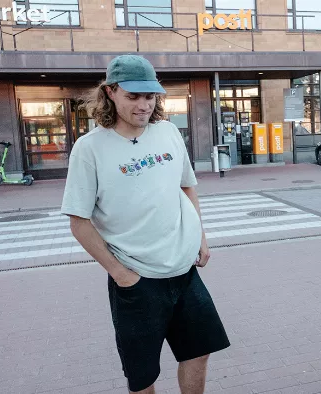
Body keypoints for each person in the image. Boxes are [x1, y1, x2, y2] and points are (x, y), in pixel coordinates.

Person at [61, 55, 230, 394]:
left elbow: (186, 187)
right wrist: (122, 276)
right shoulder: (89, 148)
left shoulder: (168, 132)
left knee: (198, 353)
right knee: (143, 375)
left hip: (184, 272)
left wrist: (201, 238)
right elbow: (79, 222)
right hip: (137, 280)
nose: (143, 105)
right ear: (111, 92)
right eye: (133, 96)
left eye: (150, 96)